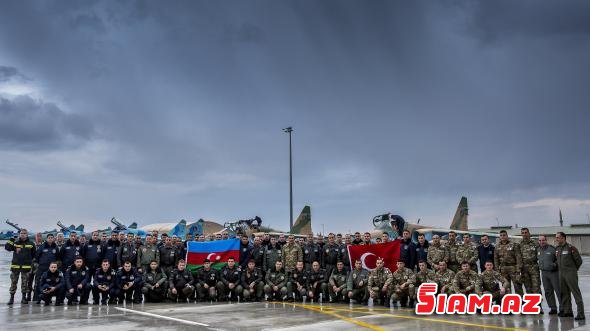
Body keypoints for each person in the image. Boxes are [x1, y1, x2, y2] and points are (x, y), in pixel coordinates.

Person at [555, 232, 585, 320]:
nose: (556, 239)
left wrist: (573, 270)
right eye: (556, 237)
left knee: (576, 293)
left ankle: (581, 314)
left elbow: (579, 261)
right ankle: (568, 312)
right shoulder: (557, 249)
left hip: (570, 273)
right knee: (564, 293)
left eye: (558, 237)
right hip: (561, 274)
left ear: (563, 238)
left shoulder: (571, 248)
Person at [5, 228, 36, 305]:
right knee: (13, 283)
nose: (23, 234)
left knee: (25, 283)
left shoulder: (31, 243)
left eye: (24, 233)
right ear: (19, 234)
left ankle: (23, 298)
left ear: (27, 234)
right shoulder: (15, 243)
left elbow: (34, 255)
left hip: (26, 267)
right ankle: (11, 298)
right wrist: (12, 239)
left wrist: (29, 262)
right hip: (15, 267)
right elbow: (7, 248)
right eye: (21, 233)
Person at [33, 233, 60, 304]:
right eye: (49, 238)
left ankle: (48, 297)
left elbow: (58, 258)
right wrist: (38, 265)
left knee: (50, 283)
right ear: (46, 239)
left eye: (52, 237)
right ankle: (37, 298)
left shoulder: (55, 247)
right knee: (38, 282)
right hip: (42, 268)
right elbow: (37, 257)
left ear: (54, 239)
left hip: (51, 269)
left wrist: (56, 266)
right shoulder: (42, 246)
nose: (50, 239)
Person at [494, 230, 523, 295]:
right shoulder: (497, 246)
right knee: (506, 287)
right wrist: (497, 270)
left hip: (513, 268)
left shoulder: (514, 245)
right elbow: (496, 259)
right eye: (501, 235)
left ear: (507, 236)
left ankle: (520, 301)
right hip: (503, 269)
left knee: (517, 286)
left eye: (504, 235)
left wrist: (518, 270)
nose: (502, 237)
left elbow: (518, 258)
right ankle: (508, 302)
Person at [538, 235, 560, 315]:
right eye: (540, 241)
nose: (541, 242)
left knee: (558, 290)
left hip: (553, 273)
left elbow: (559, 259)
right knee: (548, 291)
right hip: (544, 273)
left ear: (546, 240)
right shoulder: (538, 250)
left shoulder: (552, 249)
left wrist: (554, 265)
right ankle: (553, 308)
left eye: (543, 240)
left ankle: (562, 308)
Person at [519, 228, 541, 297]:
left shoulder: (535, 243)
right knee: (528, 288)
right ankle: (531, 306)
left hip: (534, 267)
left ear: (529, 233)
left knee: (536, 287)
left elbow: (540, 253)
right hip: (524, 269)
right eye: (523, 233)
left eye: (526, 232)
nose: (524, 234)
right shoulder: (519, 244)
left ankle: (539, 306)